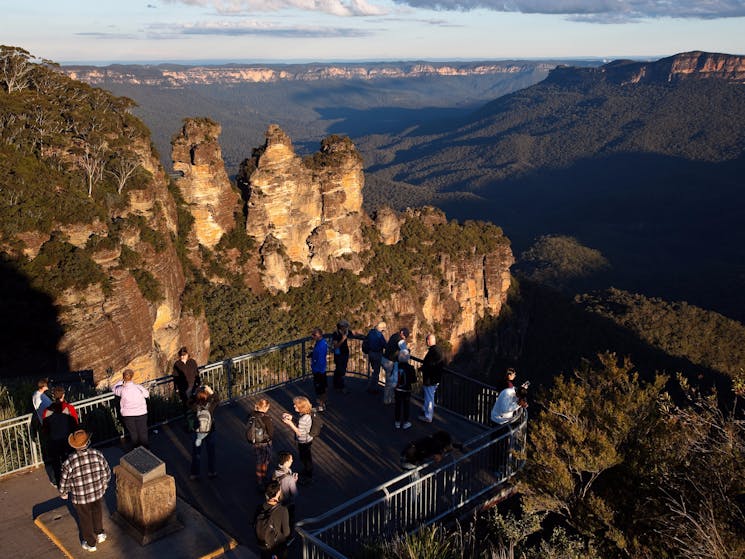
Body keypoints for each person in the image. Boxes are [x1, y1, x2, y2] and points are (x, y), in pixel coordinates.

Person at [58, 430, 111, 553]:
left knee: (85, 519)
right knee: (97, 512)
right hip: (97, 492)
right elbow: (107, 472)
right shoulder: (97, 454)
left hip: (80, 498)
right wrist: (104, 484)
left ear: (74, 446)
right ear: (87, 442)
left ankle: (91, 543)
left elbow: (64, 481)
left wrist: (63, 493)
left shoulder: (69, 462)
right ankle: (100, 533)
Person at [42, 386, 79, 486]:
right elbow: (75, 423)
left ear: (53, 396)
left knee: (56, 464)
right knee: (69, 461)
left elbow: (45, 428)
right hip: (68, 440)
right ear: (63, 395)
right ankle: (72, 480)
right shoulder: (69, 408)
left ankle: (60, 483)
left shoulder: (47, 411)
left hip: (54, 441)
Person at [112, 369, 150, 449]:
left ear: (123, 377)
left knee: (133, 433)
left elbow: (113, 389)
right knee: (143, 432)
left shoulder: (121, 389)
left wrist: (121, 382)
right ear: (132, 376)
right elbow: (147, 394)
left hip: (128, 415)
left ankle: (136, 450)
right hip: (141, 413)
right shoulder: (138, 387)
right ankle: (146, 450)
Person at [254, 480, 291, 559]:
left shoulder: (260, 507)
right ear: (277, 493)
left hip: (263, 544)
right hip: (277, 547)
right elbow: (286, 532)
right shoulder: (282, 510)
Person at [282, 396, 314, 485]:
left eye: (295, 405)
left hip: (304, 441)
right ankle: (307, 471)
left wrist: (290, 423)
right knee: (305, 457)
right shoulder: (306, 415)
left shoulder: (304, 418)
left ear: (301, 407)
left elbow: (300, 433)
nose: (294, 406)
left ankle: (308, 476)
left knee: (306, 458)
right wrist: (291, 418)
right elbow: (300, 424)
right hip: (307, 440)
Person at [189, 385, 218, 480]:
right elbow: (217, 400)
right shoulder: (210, 406)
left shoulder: (194, 406)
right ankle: (212, 471)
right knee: (211, 452)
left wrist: (194, 393)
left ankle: (195, 473)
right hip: (210, 430)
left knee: (196, 453)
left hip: (198, 432)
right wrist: (211, 392)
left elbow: (188, 402)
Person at [248, 398, 274, 489]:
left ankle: (259, 481)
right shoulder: (266, 418)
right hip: (265, 443)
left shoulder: (251, 415)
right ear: (266, 407)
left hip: (255, 442)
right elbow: (271, 433)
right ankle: (264, 476)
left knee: (259, 461)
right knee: (265, 461)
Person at [331, 319, 363, 394]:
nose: (347, 328)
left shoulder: (346, 332)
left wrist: (362, 336)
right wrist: (343, 339)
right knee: (340, 370)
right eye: (345, 326)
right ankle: (341, 387)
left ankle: (336, 385)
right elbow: (336, 346)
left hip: (345, 353)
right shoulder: (335, 334)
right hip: (338, 354)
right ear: (341, 327)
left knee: (340, 370)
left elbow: (354, 334)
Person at [419, 334, 445, 423]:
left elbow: (430, 365)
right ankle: (426, 411)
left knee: (429, 397)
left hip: (430, 379)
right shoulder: (438, 350)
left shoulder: (433, 352)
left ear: (429, 341)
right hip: (435, 378)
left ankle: (428, 416)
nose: (426, 342)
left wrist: (422, 368)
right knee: (430, 396)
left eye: (427, 340)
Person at [382, 327, 409, 405]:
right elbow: (404, 350)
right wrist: (407, 352)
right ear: (402, 333)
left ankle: (390, 398)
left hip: (385, 359)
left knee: (390, 381)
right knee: (390, 381)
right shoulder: (400, 340)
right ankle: (387, 399)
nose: (405, 338)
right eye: (405, 336)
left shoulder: (394, 335)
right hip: (389, 361)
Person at [272, 451, 298, 528]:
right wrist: (294, 481)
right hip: (287, 501)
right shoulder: (289, 477)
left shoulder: (276, 471)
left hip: (278, 499)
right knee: (289, 518)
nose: (292, 460)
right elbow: (294, 493)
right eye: (291, 459)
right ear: (286, 462)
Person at [394, 348, 416, 429]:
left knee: (398, 405)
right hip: (406, 390)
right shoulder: (411, 368)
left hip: (397, 389)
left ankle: (397, 422)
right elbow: (414, 380)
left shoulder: (396, 365)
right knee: (406, 406)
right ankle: (406, 422)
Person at [365, 321, 387, 395]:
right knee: (376, 372)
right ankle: (373, 388)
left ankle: (370, 386)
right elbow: (384, 345)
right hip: (377, 354)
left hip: (370, 353)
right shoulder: (379, 335)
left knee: (373, 370)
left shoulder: (371, 332)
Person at [309, 327, 329, 411]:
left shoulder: (319, 345)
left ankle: (321, 405)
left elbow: (319, 358)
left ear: (318, 335)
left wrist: (316, 368)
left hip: (318, 370)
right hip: (321, 369)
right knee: (323, 387)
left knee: (320, 388)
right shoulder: (322, 342)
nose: (312, 336)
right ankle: (324, 402)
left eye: (314, 335)